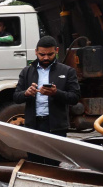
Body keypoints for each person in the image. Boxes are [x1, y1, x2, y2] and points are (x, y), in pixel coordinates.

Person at [13, 35, 80, 165]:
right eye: (42, 54)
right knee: (35, 164)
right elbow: (16, 97)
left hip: (56, 127)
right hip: (33, 126)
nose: (45, 58)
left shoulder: (67, 71)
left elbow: (75, 97)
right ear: (36, 52)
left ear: (56, 51)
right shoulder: (27, 71)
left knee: (53, 165)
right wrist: (26, 93)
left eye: (50, 54)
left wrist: (56, 93)